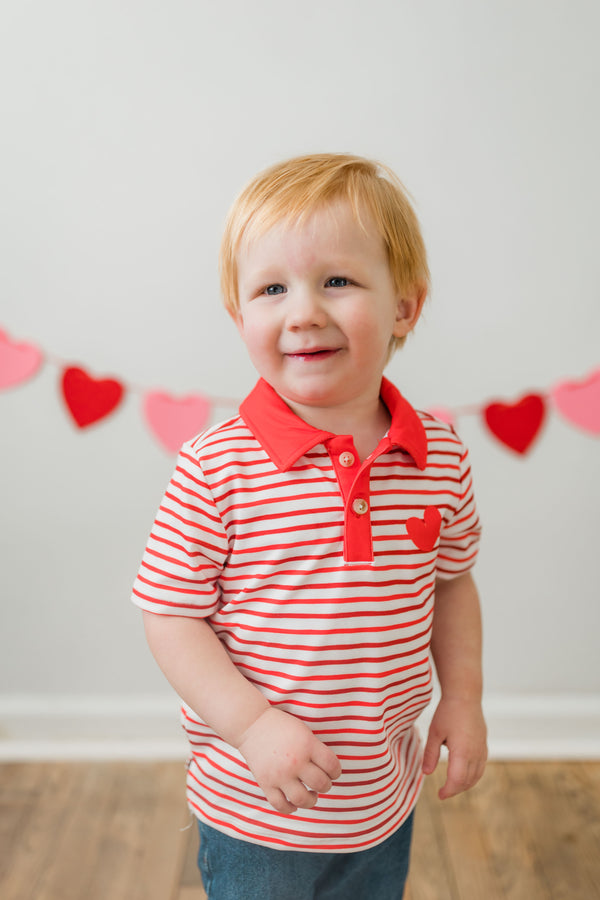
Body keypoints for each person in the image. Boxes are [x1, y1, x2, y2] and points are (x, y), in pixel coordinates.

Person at [132, 153, 487, 899]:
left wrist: (462, 697)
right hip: (259, 805)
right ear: (240, 319)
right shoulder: (216, 466)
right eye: (270, 289)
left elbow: (452, 584)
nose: (302, 312)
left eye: (337, 281)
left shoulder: (441, 457)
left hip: (382, 800)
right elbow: (170, 616)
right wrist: (255, 724)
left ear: (404, 307)